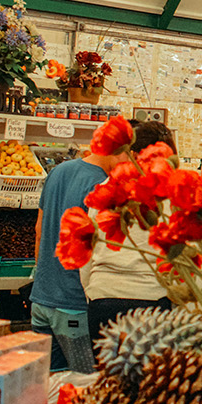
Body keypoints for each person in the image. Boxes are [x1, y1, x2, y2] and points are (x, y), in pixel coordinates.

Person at [33, 127, 125, 372]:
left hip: (41, 301)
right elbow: (100, 250)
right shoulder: (101, 185)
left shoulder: (58, 171)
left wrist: (43, 280)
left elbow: (39, 230)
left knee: (47, 389)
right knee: (83, 388)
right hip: (74, 305)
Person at [80, 121, 177, 340]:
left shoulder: (105, 189)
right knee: (151, 373)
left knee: (108, 373)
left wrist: (94, 291)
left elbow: (87, 249)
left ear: (130, 152)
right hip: (151, 300)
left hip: (103, 299)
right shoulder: (173, 192)